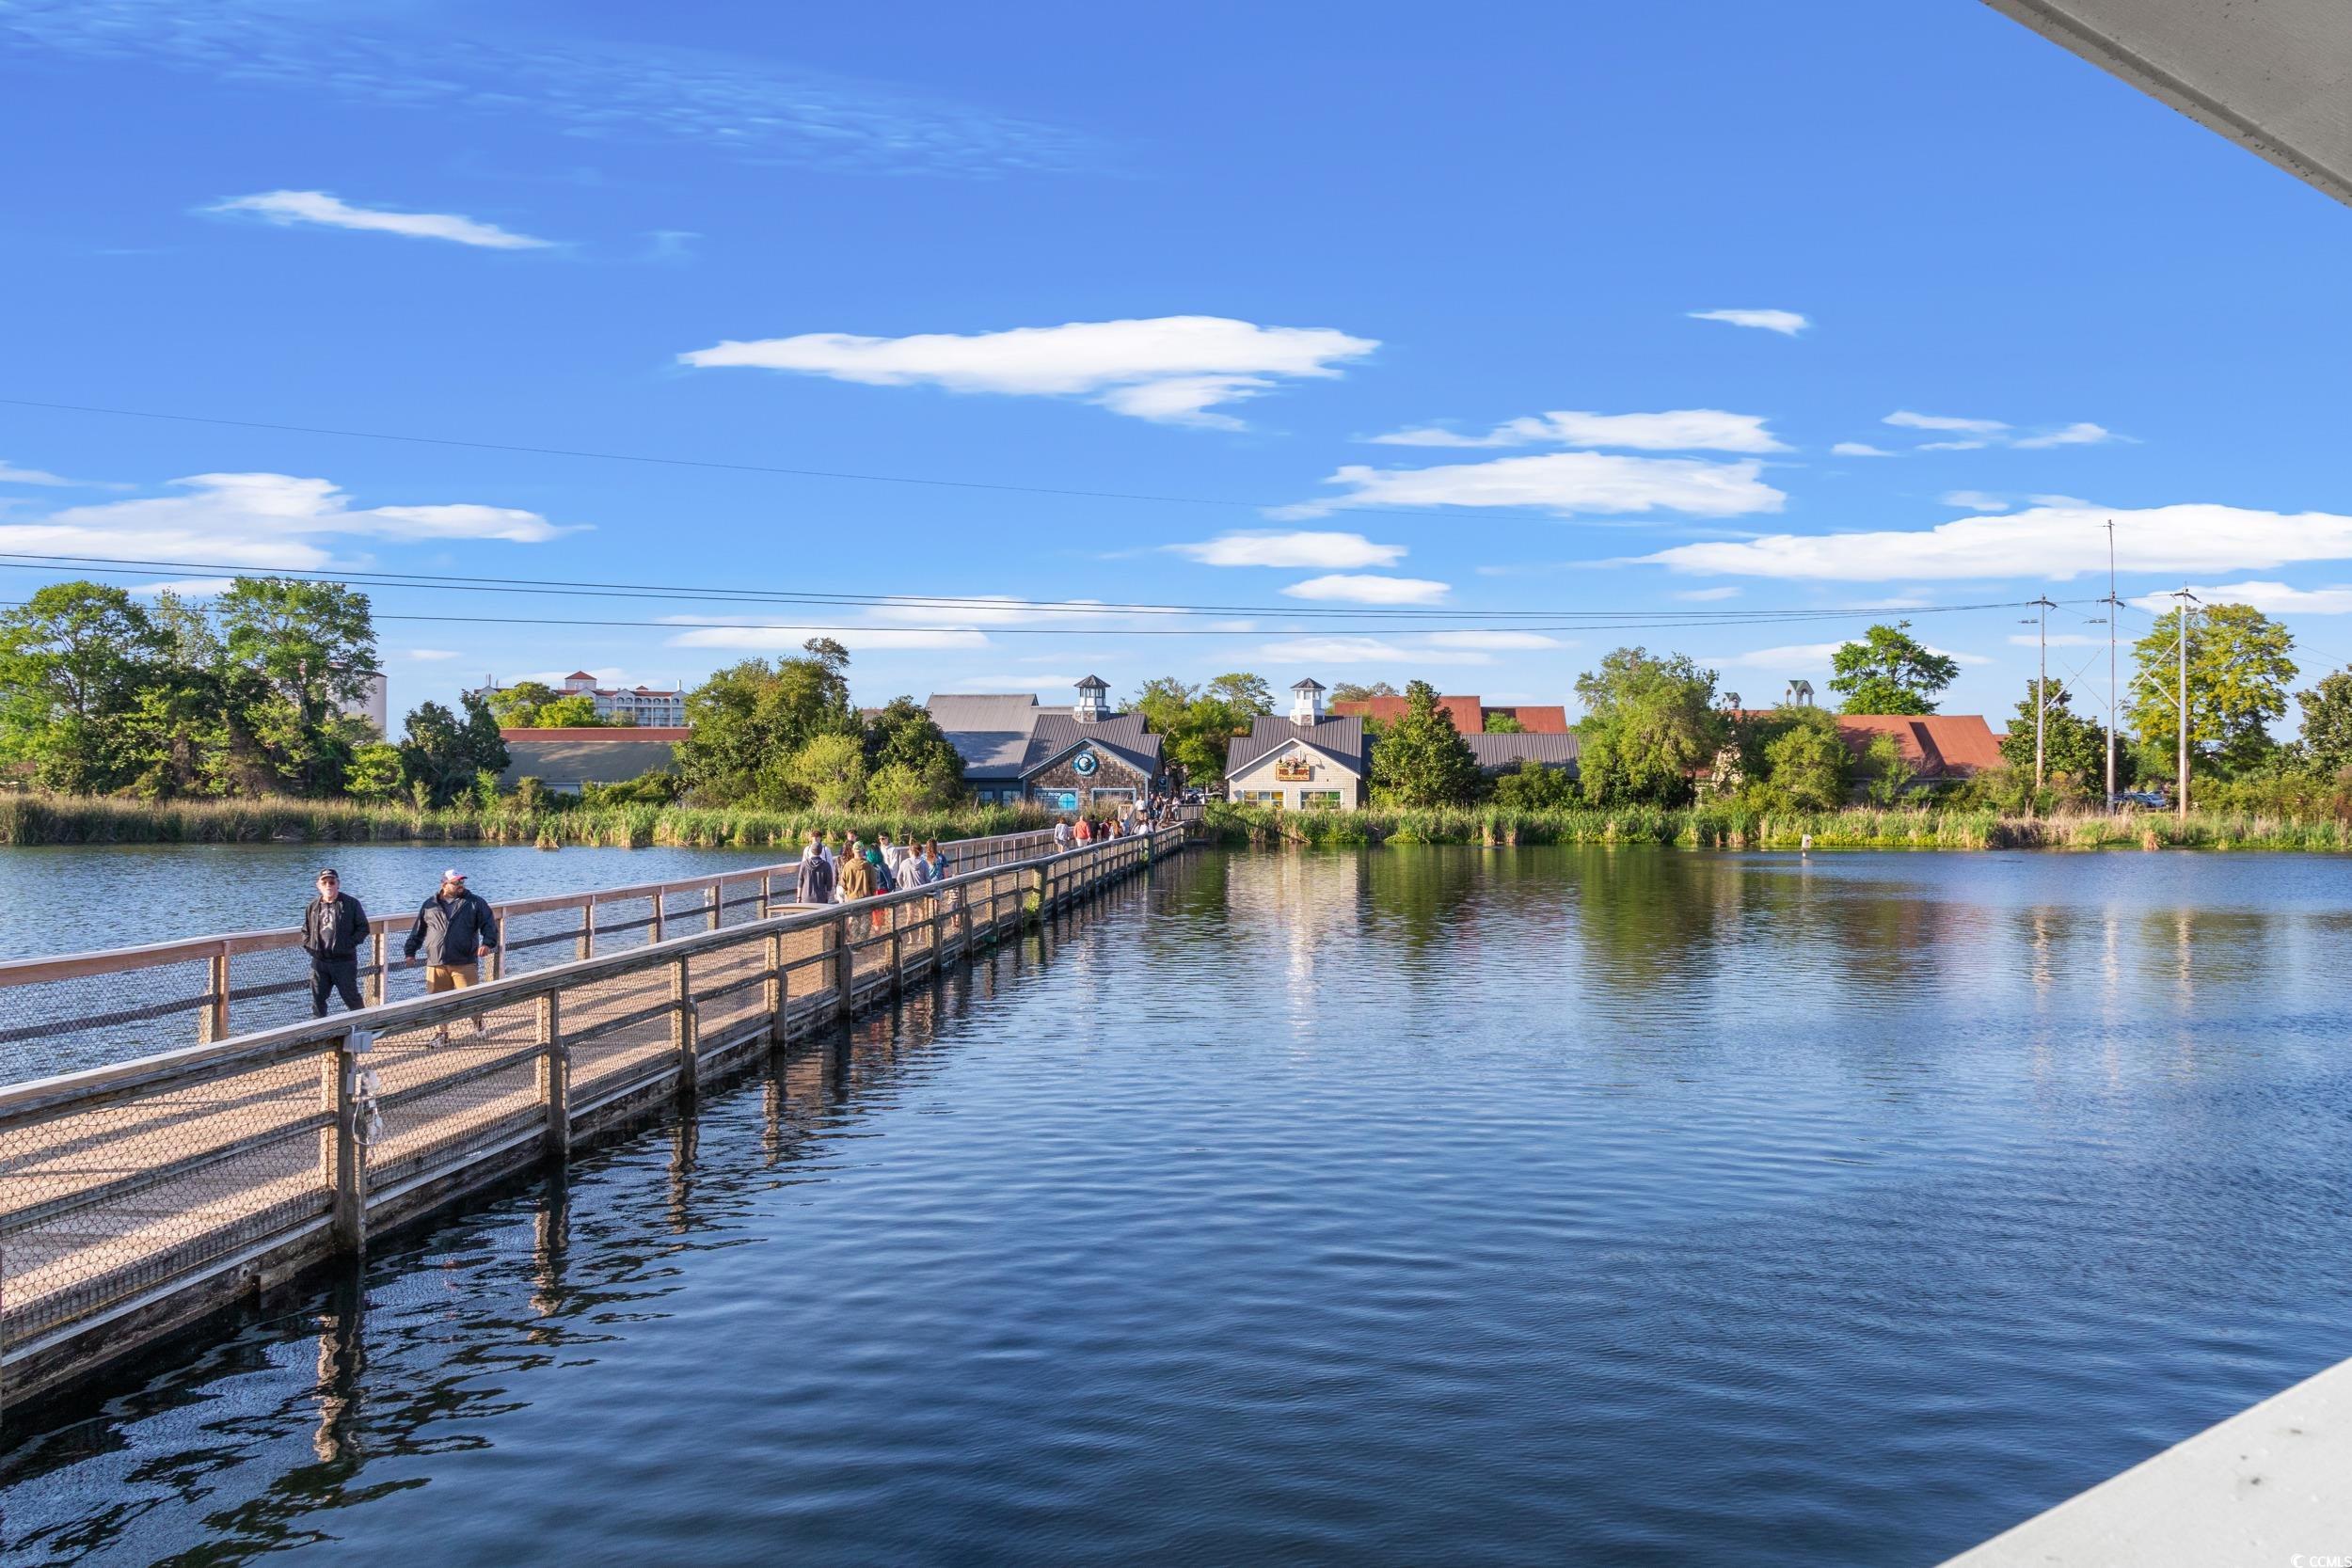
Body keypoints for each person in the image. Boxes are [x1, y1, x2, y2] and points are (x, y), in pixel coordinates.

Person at [404, 869, 499, 1044]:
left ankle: (478, 1024)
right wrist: (410, 951)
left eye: (462, 882)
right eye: (456, 883)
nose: (460, 886)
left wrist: (487, 943)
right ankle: (442, 1034)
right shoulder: (429, 904)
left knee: (471, 998)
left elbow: (489, 925)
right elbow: (418, 931)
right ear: (444, 884)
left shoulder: (475, 903)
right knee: (437, 1001)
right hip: (436, 961)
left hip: (464, 960)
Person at [302, 869, 369, 1019]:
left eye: (332, 882)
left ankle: (363, 1028)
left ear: (338, 884)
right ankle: (320, 1033)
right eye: (324, 882)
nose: (328, 886)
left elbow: (363, 928)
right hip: (320, 962)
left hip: (344, 961)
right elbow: (305, 930)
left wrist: (347, 945)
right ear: (318, 885)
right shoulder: (312, 906)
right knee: (318, 999)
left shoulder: (351, 904)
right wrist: (311, 948)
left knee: (351, 998)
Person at [796, 830, 834, 904]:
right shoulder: (807, 849)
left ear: (820, 838)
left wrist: (799, 896)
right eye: (814, 838)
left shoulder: (826, 850)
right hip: (818, 888)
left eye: (817, 837)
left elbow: (800, 879)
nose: (815, 839)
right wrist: (827, 896)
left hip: (818, 881)